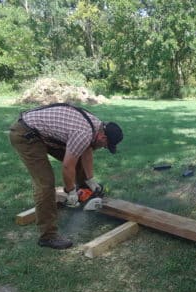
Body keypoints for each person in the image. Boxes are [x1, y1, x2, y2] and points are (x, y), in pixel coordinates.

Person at [9, 103, 123, 249]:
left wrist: (90, 180)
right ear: (102, 136)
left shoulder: (95, 126)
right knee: (45, 183)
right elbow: (68, 166)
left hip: (40, 133)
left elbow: (86, 151)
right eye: (105, 145)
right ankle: (48, 236)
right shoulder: (84, 133)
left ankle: (85, 196)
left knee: (79, 161)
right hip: (26, 136)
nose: (102, 148)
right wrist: (70, 191)